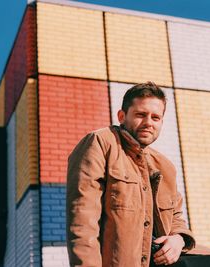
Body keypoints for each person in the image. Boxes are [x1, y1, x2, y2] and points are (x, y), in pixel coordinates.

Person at [66, 81, 195, 267]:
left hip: (161, 262)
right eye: (141, 115)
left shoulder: (165, 166)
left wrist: (179, 239)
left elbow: (176, 217)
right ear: (122, 115)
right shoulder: (100, 143)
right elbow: (82, 221)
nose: (148, 123)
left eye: (156, 117)